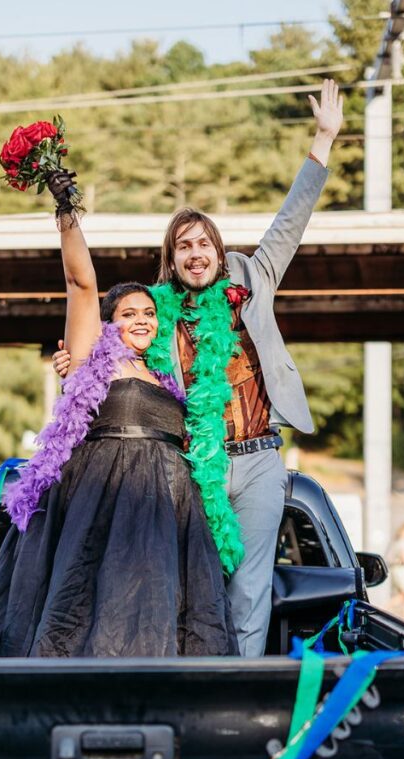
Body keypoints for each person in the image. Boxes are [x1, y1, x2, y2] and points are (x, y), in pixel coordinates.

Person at [54, 79, 344, 657]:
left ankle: (240, 692)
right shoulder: (154, 313)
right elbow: (113, 341)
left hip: (259, 457)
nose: (195, 254)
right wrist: (76, 360)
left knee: (250, 584)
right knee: (189, 581)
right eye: (183, 246)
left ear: (218, 250)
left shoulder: (252, 281)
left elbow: (291, 222)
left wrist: (323, 141)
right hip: (191, 463)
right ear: (172, 258)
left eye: (203, 243)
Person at [0, 177, 237, 658]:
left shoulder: (166, 376)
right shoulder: (94, 360)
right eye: (129, 313)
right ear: (109, 324)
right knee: (92, 612)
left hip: (167, 514)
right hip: (101, 508)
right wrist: (67, 210)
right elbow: (81, 283)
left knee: (172, 617)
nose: (142, 320)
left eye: (149, 313)